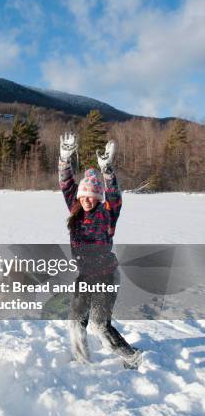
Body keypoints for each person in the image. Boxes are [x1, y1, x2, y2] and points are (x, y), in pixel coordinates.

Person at [58, 131, 142, 369]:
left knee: (99, 324)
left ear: (97, 197)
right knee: (76, 321)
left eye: (92, 195)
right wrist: (65, 158)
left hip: (106, 276)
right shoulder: (76, 211)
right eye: (84, 194)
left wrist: (107, 171)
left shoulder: (106, 214)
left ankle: (132, 357)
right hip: (84, 276)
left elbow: (114, 197)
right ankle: (81, 361)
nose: (86, 199)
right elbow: (66, 185)